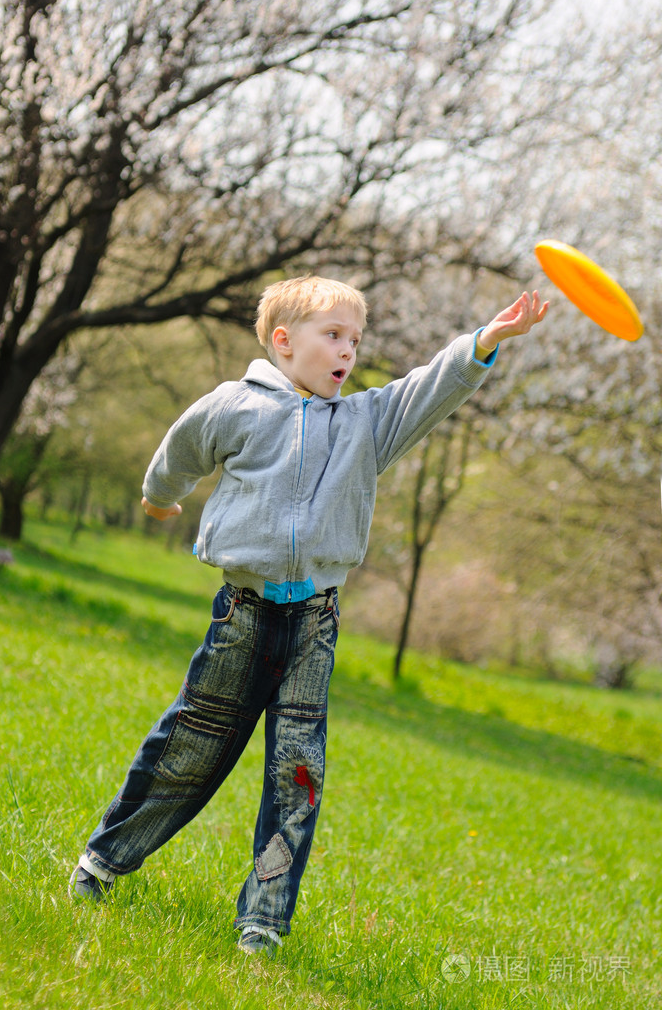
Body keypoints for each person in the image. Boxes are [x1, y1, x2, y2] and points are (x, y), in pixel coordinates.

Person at [69, 276, 549, 956]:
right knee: (190, 749)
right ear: (285, 341)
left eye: (355, 339)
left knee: (299, 774)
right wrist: (160, 498)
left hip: (314, 626)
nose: (347, 350)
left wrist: (485, 341)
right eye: (333, 335)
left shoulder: (364, 424)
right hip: (242, 615)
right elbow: (181, 450)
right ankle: (105, 862)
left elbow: (428, 386)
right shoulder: (234, 406)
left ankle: (263, 920)